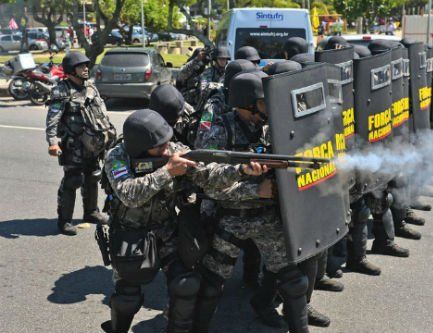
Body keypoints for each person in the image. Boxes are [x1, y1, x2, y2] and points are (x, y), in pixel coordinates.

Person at [101, 109, 265, 333]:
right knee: (127, 297)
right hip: (131, 233)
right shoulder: (117, 157)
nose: (167, 149)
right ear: (139, 147)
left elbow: (209, 176)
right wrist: (167, 172)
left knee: (187, 284)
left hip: (166, 230)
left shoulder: (175, 151)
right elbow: (129, 194)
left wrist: (241, 170)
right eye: (159, 146)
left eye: (167, 142)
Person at [199, 72, 312, 333]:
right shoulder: (220, 130)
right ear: (247, 103)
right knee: (210, 285)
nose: (268, 108)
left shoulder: (272, 129)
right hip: (230, 217)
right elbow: (208, 182)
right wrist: (254, 190)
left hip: (265, 218)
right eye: (263, 103)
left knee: (293, 281)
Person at [45, 51, 115, 235]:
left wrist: (108, 136)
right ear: (70, 70)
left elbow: (102, 114)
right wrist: (52, 142)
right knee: (73, 180)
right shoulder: (62, 90)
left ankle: (91, 212)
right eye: (81, 66)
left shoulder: (91, 88)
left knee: (93, 176)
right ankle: (64, 220)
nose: (86, 69)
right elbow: (53, 118)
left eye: (86, 65)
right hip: (72, 145)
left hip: (92, 144)